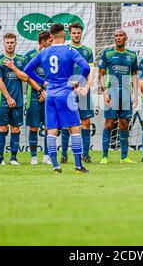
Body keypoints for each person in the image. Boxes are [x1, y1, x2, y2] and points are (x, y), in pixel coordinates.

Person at [24, 23, 90, 174]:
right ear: (65, 35)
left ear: (51, 36)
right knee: (75, 128)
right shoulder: (70, 51)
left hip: (50, 95)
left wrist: (43, 82)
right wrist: (78, 82)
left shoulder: (44, 52)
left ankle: (55, 166)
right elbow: (86, 67)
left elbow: (28, 70)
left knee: (51, 130)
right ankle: (78, 166)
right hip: (66, 94)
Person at [98, 29, 138, 164]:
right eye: (116, 36)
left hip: (126, 93)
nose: (118, 38)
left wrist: (136, 95)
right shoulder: (107, 53)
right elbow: (101, 75)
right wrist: (104, 93)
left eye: (121, 35)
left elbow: (134, 75)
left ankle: (124, 157)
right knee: (108, 124)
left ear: (126, 37)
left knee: (124, 125)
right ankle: (104, 156)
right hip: (112, 92)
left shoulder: (131, 55)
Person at [60, 22, 95, 164]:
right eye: (73, 33)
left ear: (81, 33)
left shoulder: (87, 51)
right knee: (66, 124)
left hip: (83, 92)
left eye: (78, 32)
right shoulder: (65, 50)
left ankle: (85, 155)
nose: (76, 35)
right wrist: (69, 87)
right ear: (70, 34)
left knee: (86, 123)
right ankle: (63, 155)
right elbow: (61, 73)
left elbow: (91, 71)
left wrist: (86, 87)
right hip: (68, 92)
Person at [0, 33, 28, 165]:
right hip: (3, 101)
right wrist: (8, 98)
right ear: (4, 43)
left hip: (18, 100)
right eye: (7, 42)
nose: (10, 45)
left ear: (15, 43)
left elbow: (25, 78)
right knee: (2, 128)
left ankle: (13, 158)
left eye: (12, 42)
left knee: (15, 129)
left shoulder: (21, 60)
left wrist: (13, 67)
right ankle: (0, 159)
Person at [24, 31, 53, 165]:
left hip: (49, 94)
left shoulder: (52, 55)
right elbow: (27, 77)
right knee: (34, 127)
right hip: (34, 96)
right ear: (43, 42)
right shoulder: (30, 55)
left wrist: (46, 92)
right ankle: (34, 157)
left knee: (49, 127)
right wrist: (41, 90)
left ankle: (46, 156)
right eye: (50, 41)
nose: (52, 43)